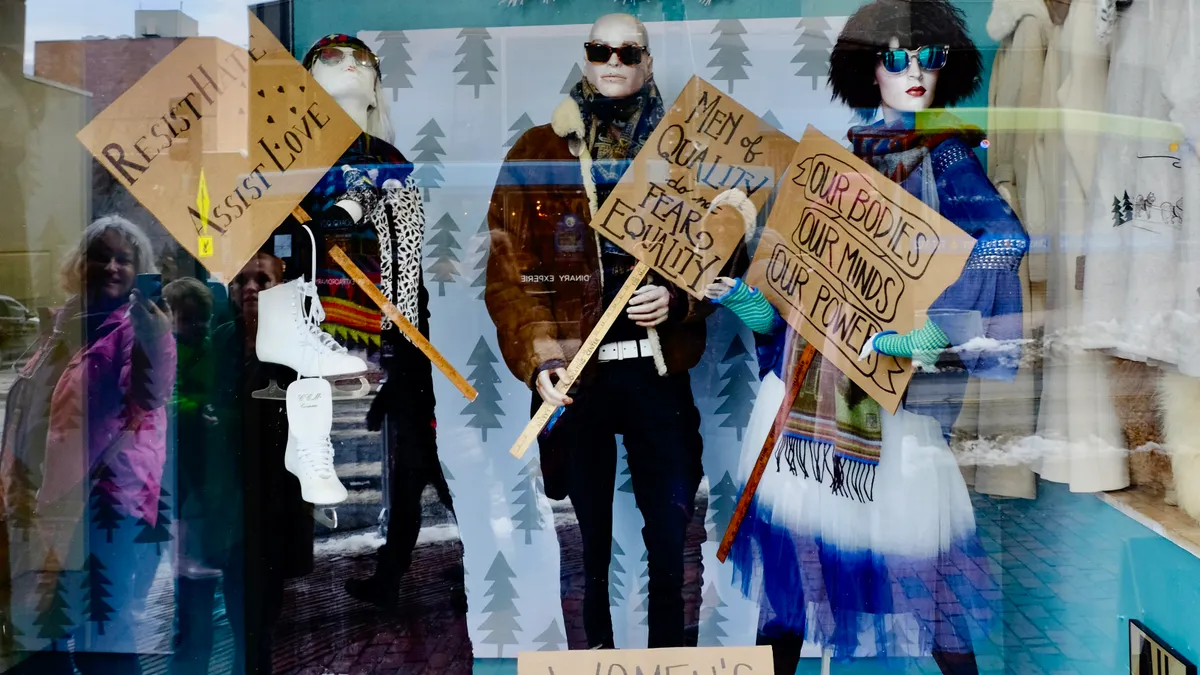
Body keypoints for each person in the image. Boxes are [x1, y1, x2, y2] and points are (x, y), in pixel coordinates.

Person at [716, 2, 1029, 674]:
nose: (913, 72)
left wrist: (927, 331)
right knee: (788, 588)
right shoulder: (834, 165)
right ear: (868, 69)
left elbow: (1004, 241)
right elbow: (786, 305)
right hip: (804, 404)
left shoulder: (946, 158)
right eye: (894, 57)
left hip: (894, 415)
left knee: (932, 582)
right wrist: (743, 295)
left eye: (928, 57)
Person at [484, 13, 737, 649]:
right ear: (587, 58)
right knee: (586, 533)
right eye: (602, 50)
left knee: (671, 525)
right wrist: (540, 356)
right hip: (576, 373)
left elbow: (724, 249)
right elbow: (509, 269)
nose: (615, 61)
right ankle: (594, 653)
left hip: (656, 370)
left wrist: (678, 301)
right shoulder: (537, 153)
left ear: (649, 61)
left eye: (630, 50)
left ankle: (670, 657)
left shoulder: (686, 152)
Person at [288, 34, 454, 607]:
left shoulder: (385, 163)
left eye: (354, 101)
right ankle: (379, 569)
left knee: (418, 458)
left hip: (388, 330)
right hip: (317, 333)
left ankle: (400, 568)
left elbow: (392, 233)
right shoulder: (294, 171)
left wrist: (404, 343)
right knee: (407, 457)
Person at [0, 215, 175, 675]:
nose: (112, 267)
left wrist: (156, 338)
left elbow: (151, 390)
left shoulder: (135, 330)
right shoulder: (63, 324)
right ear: (81, 263)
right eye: (101, 256)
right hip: (45, 501)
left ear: (140, 270)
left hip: (103, 505)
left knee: (106, 633)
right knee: (45, 628)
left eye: (124, 259)